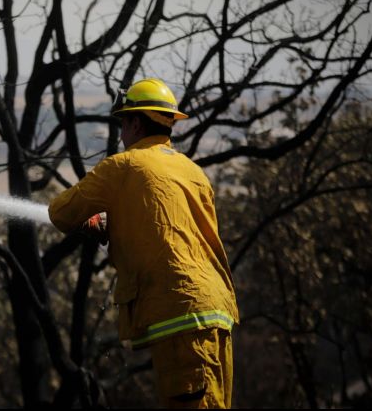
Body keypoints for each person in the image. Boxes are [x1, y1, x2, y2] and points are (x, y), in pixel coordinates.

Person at [48, 78, 239, 408]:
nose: (122, 134)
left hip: (181, 311)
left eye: (123, 123)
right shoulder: (192, 170)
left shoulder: (122, 166)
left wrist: (94, 223)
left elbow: (61, 212)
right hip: (216, 309)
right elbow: (172, 228)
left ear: (136, 122)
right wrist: (118, 221)